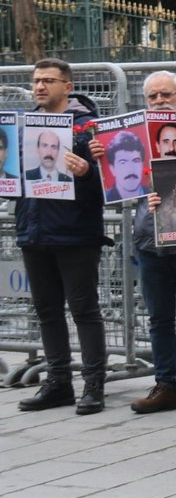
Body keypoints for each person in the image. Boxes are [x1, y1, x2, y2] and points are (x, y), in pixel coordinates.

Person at [96, 71, 176, 416]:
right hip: (149, 238)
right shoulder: (136, 135)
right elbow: (118, 181)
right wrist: (100, 154)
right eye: (152, 96)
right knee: (158, 318)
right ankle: (166, 385)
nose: (158, 101)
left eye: (165, 94)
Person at [15, 59, 109, 415]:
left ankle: (94, 384)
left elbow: (111, 186)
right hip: (34, 230)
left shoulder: (88, 129)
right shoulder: (25, 127)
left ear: (67, 86)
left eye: (48, 81)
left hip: (75, 233)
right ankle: (58, 382)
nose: (40, 87)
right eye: (36, 81)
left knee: (84, 310)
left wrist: (86, 173)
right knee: (46, 311)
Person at [103, 130, 149, 201]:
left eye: (135, 161)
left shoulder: (154, 193)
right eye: (123, 162)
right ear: (112, 169)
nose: (130, 169)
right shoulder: (105, 199)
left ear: (142, 165)